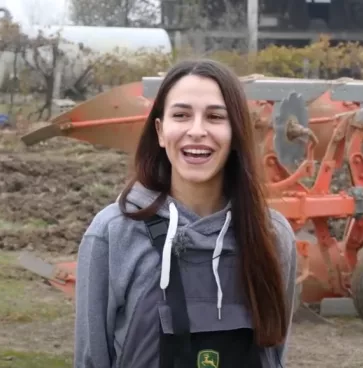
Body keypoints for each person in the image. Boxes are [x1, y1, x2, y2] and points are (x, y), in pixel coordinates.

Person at [74, 59, 298, 368]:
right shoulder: (114, 233)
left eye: (215, 117)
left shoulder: (272, 234)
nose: (197, 131)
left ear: (236, 133)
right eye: (181, 115)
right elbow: (91, 359)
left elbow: (275, 354)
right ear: (161, 131)